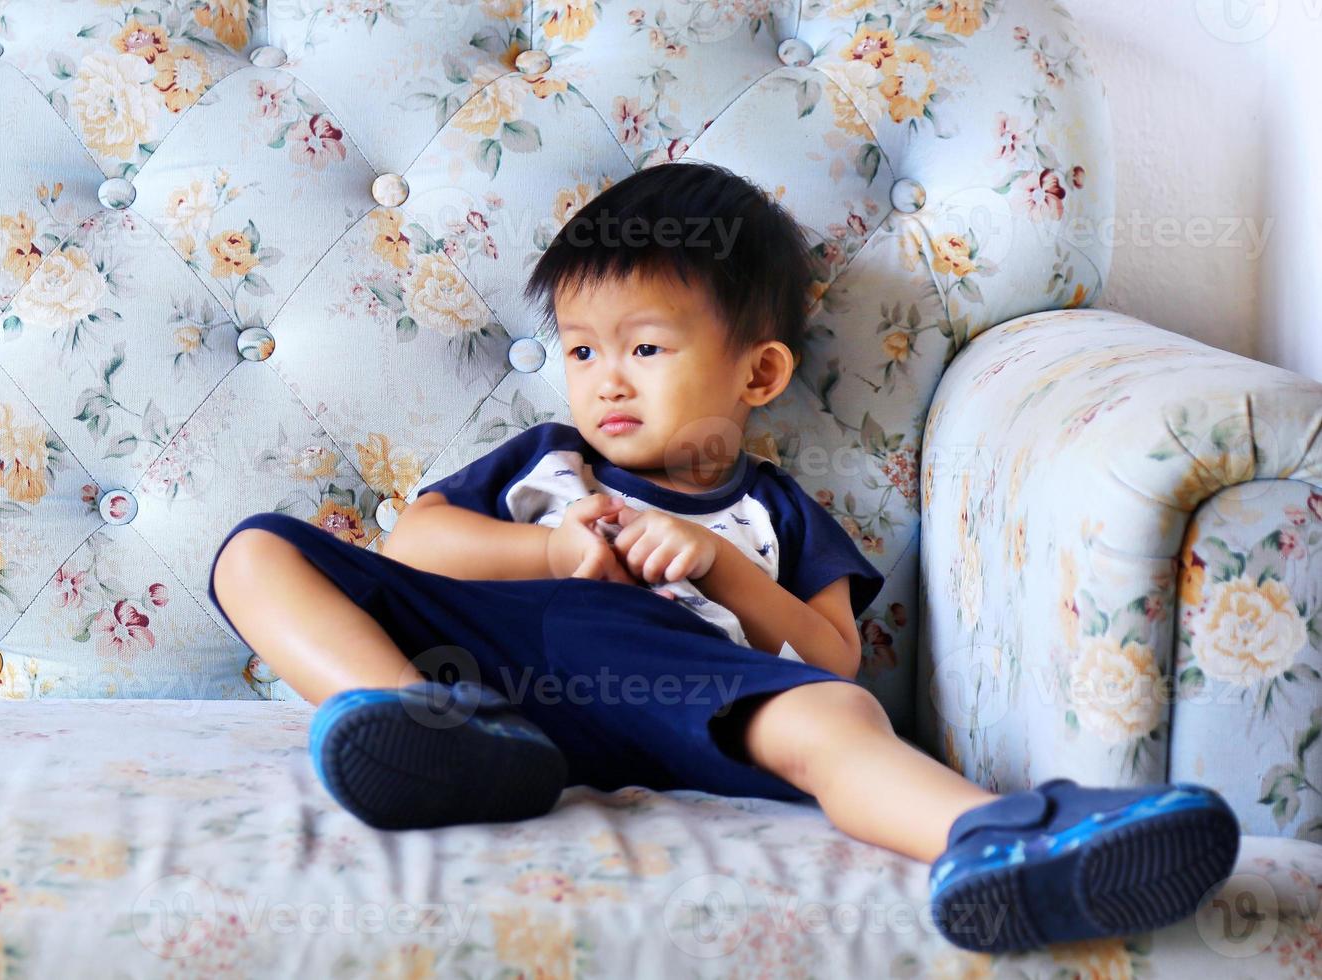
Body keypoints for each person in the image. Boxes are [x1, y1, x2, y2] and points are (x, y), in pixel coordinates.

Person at [207, 161, 1239, 954]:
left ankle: (1004, 839)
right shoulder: (547, 466)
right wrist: (550, 545)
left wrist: (720, 567)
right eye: (580, 349)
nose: (606, 379)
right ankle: (414, 726)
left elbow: (832, 654)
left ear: (760, 371)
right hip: (493, 683)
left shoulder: (776, 510)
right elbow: (414, 541)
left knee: (836, 716)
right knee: (256, 550)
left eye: (646, 348)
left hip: (687, 683)